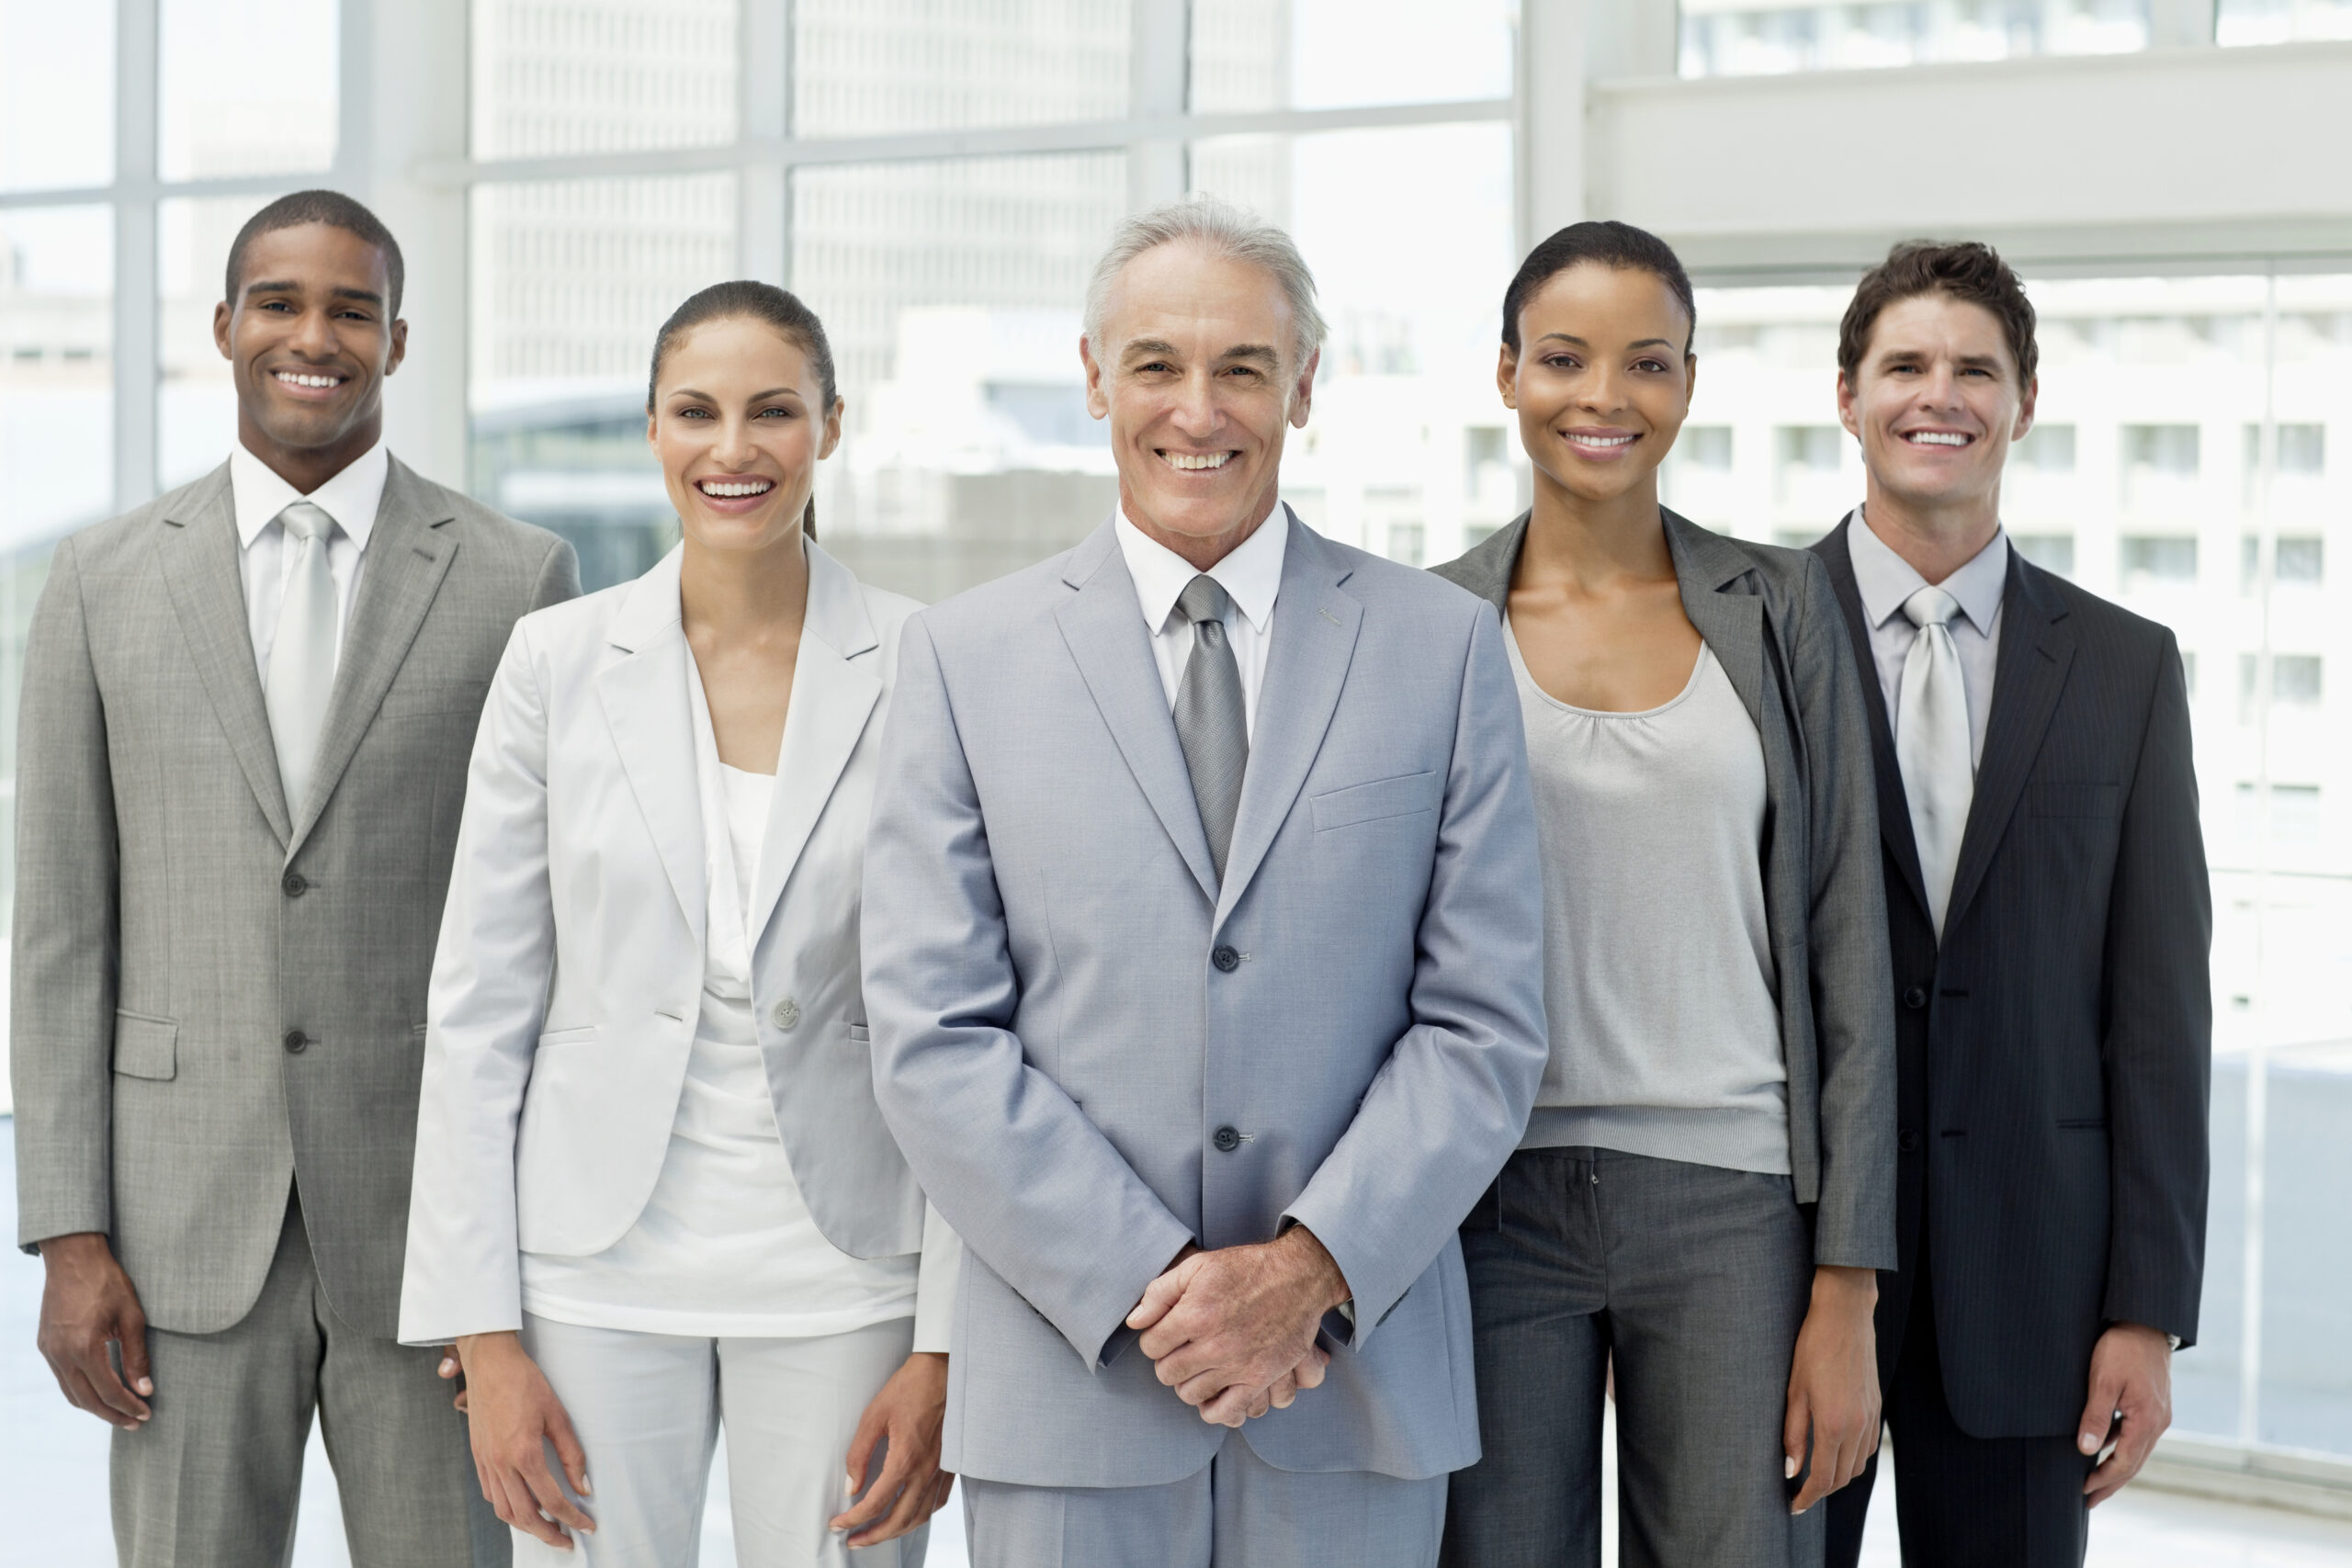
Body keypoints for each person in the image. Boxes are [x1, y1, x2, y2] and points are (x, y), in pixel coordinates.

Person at [859, 198, 1548, 1568]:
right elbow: (931, 1036)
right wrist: (1153, 1286)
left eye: (1243, 365)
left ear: (1304, 386)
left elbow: (1487, 1024)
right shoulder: (962, 657)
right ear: (1095, 378)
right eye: (1158, 364)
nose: (1199, 408)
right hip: (1075, 1383)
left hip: (1350, 1376)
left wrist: (1308, 1276)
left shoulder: (1444, 647)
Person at [12, 189, 578, 1568]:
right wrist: (68, 1234)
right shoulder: (94, 582)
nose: (313, 335)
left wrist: (533, 1248)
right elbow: (60, 933)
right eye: (280, 302)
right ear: (225, 327)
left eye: (351, 309)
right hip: (175, 1234)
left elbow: (560, 933)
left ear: (397, 342)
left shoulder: (519, 579)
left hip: (433, 1241)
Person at [398, 281, 961, 1566]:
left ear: (831, 424)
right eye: (696, 411)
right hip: (593, 1268)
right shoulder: (555, 663)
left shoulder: (928, 663)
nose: (734, 448)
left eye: (774, 410)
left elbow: (970, 1022)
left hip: (851, 1268)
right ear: (652, 430)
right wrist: (482, 1335)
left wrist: (945, 1343)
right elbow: (480, 1005)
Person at [1430, 220, 1896, 1568]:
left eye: (1646, 362)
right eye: (1564, 359)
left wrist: (1847, 1287)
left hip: (1734, 1199)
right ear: (1508, 373)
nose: (1604, 397)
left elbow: (1847, 950)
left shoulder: (1786, 606)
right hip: (1491, 1199)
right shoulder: (1429, 623)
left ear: (1688, 383)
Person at [1814, 242, 2211, 1568]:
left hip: (2038, 1286)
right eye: (1907, 365)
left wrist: (2146, 1310)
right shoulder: (1749, 631)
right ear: (1848, 395)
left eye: (1976, 368)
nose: (1943, 395)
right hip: (1789, 1280)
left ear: (2024, 402)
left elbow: (2159, 1017)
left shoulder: (2124, 667)